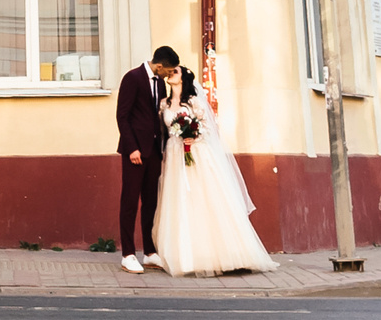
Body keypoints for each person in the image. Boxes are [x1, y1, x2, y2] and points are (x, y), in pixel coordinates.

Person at [153, 51, 276, 275]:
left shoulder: (193, 103)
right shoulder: (164, 104)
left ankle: (225, 253)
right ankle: (184, 255)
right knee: (179, 200)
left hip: (196, 154)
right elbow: (163, 132)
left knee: (203, 199)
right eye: (171, 71)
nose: (171, 73)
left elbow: (207, 128)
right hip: (173, 155)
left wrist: (192, 135)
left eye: (176, 71)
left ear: (183, 78)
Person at [113, 46, 185, 272]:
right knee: (130, 202)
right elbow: (122, 116)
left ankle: (150, 251)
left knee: (151, 202)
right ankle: (127, 254)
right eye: (169, 70)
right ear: (160, 65)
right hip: (135, 152)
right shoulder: (132, 78)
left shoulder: (160, 82)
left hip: (154, 150)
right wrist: (132, 148)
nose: (169, 75)